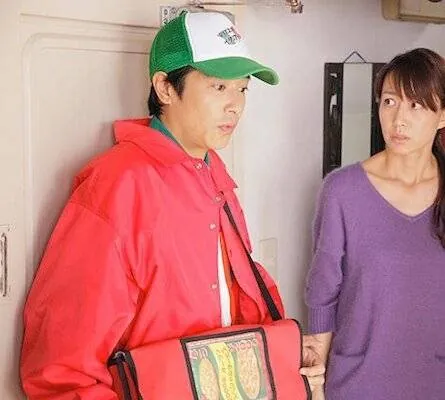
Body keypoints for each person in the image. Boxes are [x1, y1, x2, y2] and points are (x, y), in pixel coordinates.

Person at [20, 11, 322, 399]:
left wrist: (285, 358)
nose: (235, 106)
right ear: (165, 87)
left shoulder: (212, 170)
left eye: (242, 89)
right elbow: (60, 369)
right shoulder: (118, 185)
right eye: (218, 87)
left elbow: (235, 299)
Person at [304, 47, 445, 399]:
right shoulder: (342, 190)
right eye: (389, 101)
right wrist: (316, 386)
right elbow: (323, 294)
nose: (399, 119)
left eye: (416, 105)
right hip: (358, 383)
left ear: (442, 115)